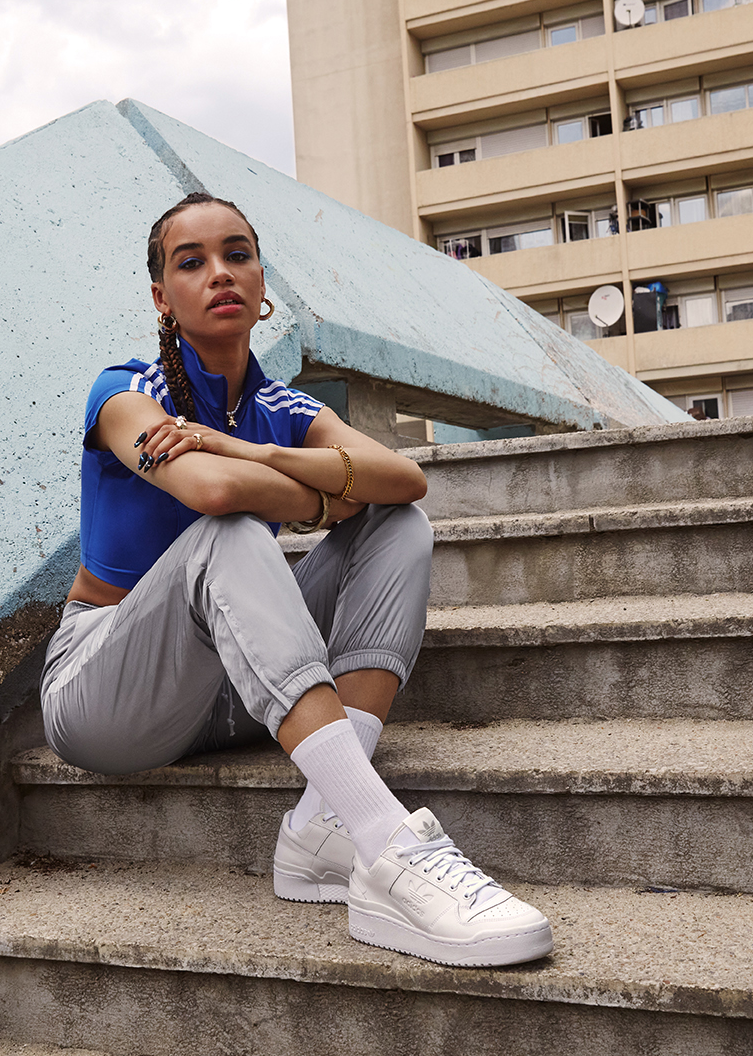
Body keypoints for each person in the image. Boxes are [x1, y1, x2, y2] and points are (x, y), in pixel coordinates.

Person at [40, 191, 552, 968]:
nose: (220, 273)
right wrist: (321, 497)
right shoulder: (124, 393)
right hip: (105, 695)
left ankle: (322, 823)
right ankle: (386, 844)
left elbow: (401, 480)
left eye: (237, 254)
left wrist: (256, 450)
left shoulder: (283, 409)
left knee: (396, 525)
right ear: (162, 298)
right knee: (229, 533)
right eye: (191, 262)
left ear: (261, 281)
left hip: (231, 692)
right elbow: (212, 493)